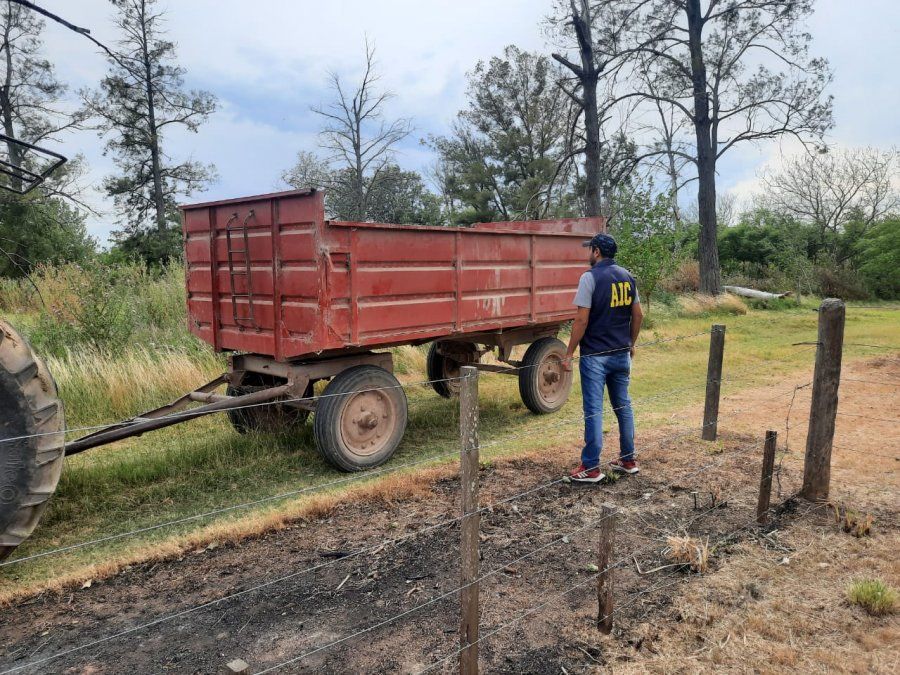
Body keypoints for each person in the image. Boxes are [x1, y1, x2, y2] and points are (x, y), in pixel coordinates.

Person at [562, 233, 643, 483]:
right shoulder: (627, 277)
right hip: (621, 354)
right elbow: (638, 315)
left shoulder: (589, 277)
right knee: (623, 406)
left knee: (594, 410)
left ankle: (590, 468)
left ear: (596, 251)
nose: (589, 254)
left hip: (595, 356)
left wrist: (569, 353)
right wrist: (631, 344)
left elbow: (581, 320)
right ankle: (628, 460)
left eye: (591, 249)